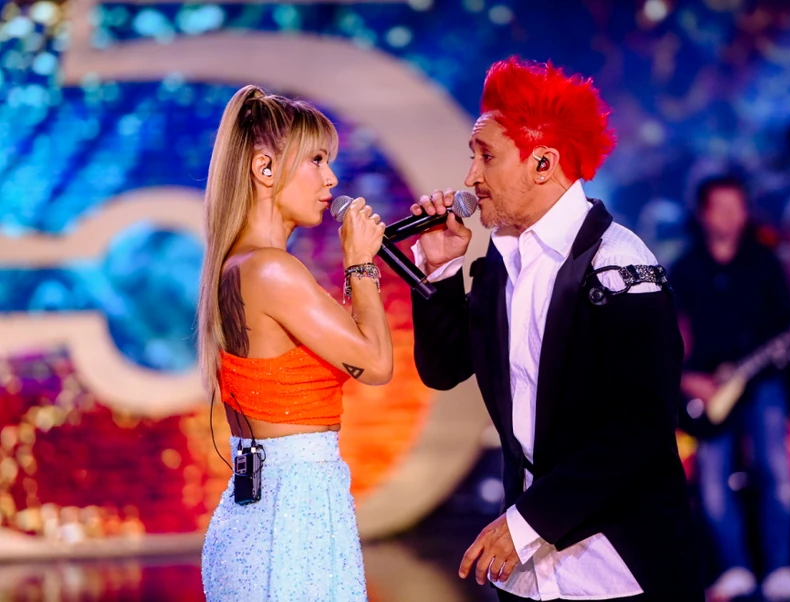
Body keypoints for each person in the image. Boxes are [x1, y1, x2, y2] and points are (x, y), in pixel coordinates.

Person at [409, 57, 703, 601]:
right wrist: (441, 269)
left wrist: (525, 524)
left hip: (615, 569)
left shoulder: (619, 264)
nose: (471, 177)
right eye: (473, 156)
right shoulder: (502, 260)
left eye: (486, 156)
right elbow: (443, 367)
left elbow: (640, 427)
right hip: (528, 577)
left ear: (543, 163)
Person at [197, 85, 392, 601]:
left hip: (268, 509)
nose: (331, 179)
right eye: (317, 160)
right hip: (293, 518)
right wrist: (360, 263)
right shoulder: (271, 270)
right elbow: (375, 362)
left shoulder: (239, 265)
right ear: (264, 169)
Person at [672, 175, 790, 602]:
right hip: (708, 390)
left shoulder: (764, 263)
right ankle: (734, 569)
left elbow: (788, 324)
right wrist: (686, 377)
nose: (733, 216)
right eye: (722, 207)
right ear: (703, 214)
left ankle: (782, 567)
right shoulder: (685, 269)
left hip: (764, 381)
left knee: (776, 471)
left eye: (738, 207)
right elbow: (670, 337)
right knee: (713, 481)